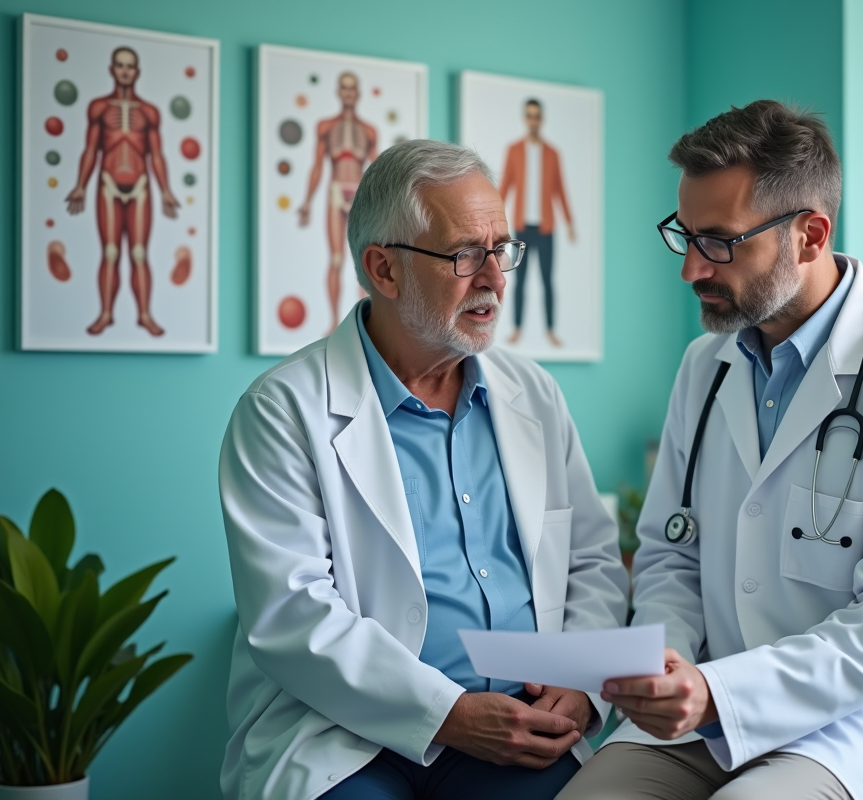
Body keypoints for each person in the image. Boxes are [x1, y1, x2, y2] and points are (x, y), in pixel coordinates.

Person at [559, 101, 863, 800]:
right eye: (685, 237)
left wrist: (721, 690)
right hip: (701, 714)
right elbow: (671, 553)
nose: (692, 269)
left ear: (809, 235)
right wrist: (668, 662)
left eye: (720, 242)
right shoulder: (706, 366)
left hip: (861, 724)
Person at [219, 139, 628, 800]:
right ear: (383, 269)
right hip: (348, 732)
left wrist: (578, 685)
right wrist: (449, 715)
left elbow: (592, 562)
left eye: (502, 249)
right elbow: (291, 614)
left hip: (521, 727)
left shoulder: (535, 395)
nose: (495, 278)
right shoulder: (281, 409)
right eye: (467, 254)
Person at [66, 46, 181, 337]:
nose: (125, 70)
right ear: (112, 69)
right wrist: (80, 184)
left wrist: (166, 189)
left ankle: (144, 314)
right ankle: (106, 314)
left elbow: (156, 154)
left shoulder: (149, 112)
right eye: (120, 65)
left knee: (140, 253)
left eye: (130, 66)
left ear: (137, 71)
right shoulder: (99, 108)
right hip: (108, 183)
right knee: (110, 251)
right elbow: (91, 149)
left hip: (141, 185)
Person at [298, 71, 378, 334]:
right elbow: (317, 167)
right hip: (335, 191)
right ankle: (334, 321)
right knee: (335, 258)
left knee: (366, 261)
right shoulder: (326, 127)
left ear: (358, 93)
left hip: (360, 195)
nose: (348, 94)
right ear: (338, 92)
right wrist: (307, 202)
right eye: (344, 89)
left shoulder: (368, 131)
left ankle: (366, 325)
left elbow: (380, 171)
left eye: (352, 89)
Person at [498, 98, 574, 348]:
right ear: (525, 118)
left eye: (536, 116)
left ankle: (551, 329)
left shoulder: (552, 153)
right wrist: (493, 221)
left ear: (541, 119)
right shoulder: (514, 150)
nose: (533, 120)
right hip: (522, 226)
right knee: (520, 280)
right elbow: (505, 186)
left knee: (547, 280)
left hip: (546, 227)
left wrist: (570, 222)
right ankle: (518, 328)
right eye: (529, 115)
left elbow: (560, 189)